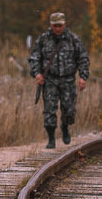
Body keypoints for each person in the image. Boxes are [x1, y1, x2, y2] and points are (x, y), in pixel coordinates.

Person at [27, 11, 89, 149]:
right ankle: (51, 139)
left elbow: (83, 58)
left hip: (68, 80)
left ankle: (65, 127)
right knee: (49, 110)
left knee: (69, 110)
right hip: (50, 80)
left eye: (60, 25)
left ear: (64, 24)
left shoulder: (73, 39)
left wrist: (83, 77)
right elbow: (34, 58)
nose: (57, 28)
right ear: (51, 25)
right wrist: (37, 74)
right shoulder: (44, 39)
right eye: (55, 25)